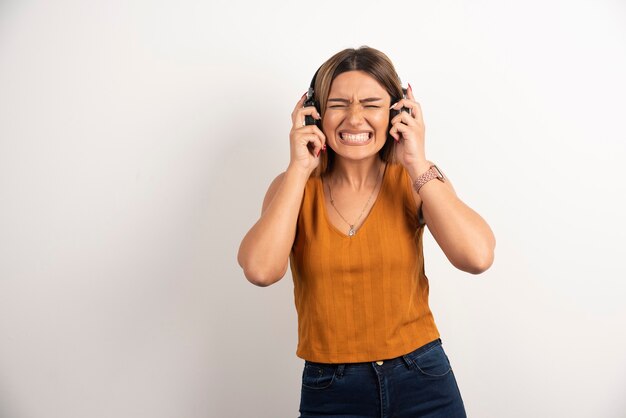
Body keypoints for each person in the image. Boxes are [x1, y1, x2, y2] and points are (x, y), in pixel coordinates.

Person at [237, 46, 495, 418]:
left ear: (397, 112)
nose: (355, 119)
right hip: (331, 391)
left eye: (371, 104)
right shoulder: (293, 187)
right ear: (316, 114)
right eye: (339, 104)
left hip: (423, 379)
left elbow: (477, 257)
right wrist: (298, 168)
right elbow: (260, 270)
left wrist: (417, 161)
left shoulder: (416, 180)